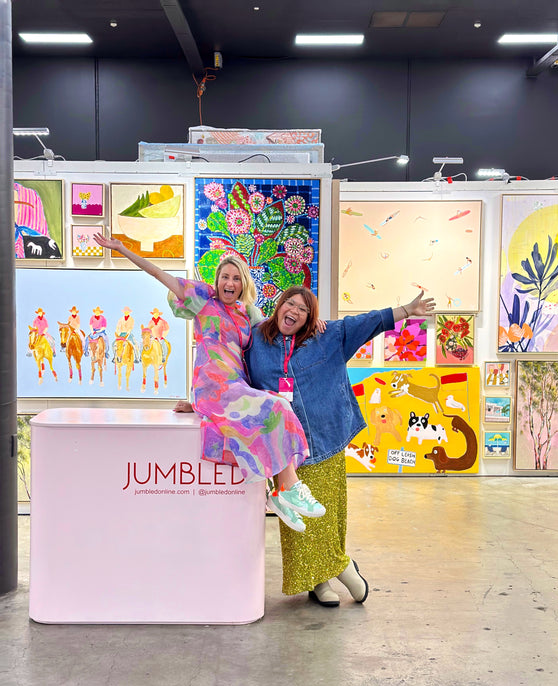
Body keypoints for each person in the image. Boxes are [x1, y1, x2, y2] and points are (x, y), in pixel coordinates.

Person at [93, 232, 326, 526]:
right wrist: (123, 249)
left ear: (243, 284)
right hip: (213, 387)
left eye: (236, 278)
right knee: (278, 408)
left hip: (236, 385)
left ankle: (280, 491)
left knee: (279, 407)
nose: (230, 282)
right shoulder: (203, 301)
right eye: (225, 277)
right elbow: (160, 275)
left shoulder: (247, 313)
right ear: (217, 282)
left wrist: (311, 320)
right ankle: (289, 488)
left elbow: (279, 329)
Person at [244, 286, 435, 607]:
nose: (294, 311)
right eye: (290, 303)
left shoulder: (328, 336)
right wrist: (199, 402)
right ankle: (331, 576)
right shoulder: (256, 342)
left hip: (326, 438)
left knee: (326, 516)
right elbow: (233, 378)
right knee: (298, 522)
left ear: (310, 318)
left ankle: (331, 573)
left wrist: (406, 310)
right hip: (284, 449)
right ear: (279, 306)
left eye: (303, 309)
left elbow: (368, 322)